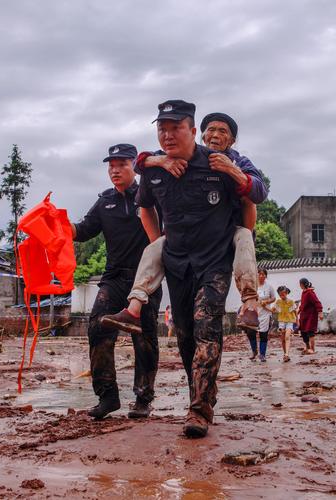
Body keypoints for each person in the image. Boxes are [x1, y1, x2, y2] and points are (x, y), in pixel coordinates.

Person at [133, 99, 248, 438]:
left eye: (175, 128)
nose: (167, 135)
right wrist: (160, 243)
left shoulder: (218, 164)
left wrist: (245, 239)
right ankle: (202, 391)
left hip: (214, 262)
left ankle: (199, 410)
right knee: (184, 336)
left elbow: (252, 196)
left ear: (192, 131)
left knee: (207, 329)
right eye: (161, 129)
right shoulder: (154, 169)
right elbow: (146, 209)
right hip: (178, 265)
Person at [100, 112, 268, 335]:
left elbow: (259, 191)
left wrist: (231, 169)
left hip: (227, 232)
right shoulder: (187, 157)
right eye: (211, 129)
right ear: (201, 134)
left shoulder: (237, 161)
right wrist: (159, 160)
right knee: (156, 247)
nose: (215, 135)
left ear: (232, 140)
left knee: (245, 234)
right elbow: (141, 163)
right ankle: (133, 308)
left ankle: (249, 303)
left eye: (223, 131)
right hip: (187, 238)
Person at [70, 143, 162, 420]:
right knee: (98, 328)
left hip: (145, 278)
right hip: (113, 278)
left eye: (121, 164)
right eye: (111, 165)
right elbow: (84, 230)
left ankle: (143, 398)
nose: (115, 170)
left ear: (134, 165)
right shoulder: (105, 201)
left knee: (145, 338)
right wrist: (59, 225)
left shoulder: (149, 195)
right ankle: (107, 397)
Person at [247, 268, 275, 362]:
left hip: (265, 313)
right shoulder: (253, 286)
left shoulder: (269, 286)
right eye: (259, 274)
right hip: (253, 312)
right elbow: (248, 297)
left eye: (263, 274)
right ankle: (254, 352)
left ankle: (262, 354)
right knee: (251, 333)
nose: (261, 276)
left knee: (263, 334)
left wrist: (267, 301)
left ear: (266, 276)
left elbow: (273, 298)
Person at [297, 278, 323, 354]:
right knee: (303, 332)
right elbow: (303, 304)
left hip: (311, 316)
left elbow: (317, 302)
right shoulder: (304, 292)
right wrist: (298, 311)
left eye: (300, 284)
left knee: (310, 332)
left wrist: (320, 312)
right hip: (304, 316)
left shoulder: (310, 293)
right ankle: (307, 347)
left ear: (302, 284)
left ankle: (312, 349)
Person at [274, 286, 297, 362]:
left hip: (290, 321)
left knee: (287, 336)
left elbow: (295, 311)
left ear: (286, 293)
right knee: (283, 339)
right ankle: (285, 354)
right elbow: (273, 310)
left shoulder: (291, 302)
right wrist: (264, 307)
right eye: (280, 294)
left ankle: (286, 354)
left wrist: (297, 320)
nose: (282, 296)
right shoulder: (278, 302)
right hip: (281, 322)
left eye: (283, 294)